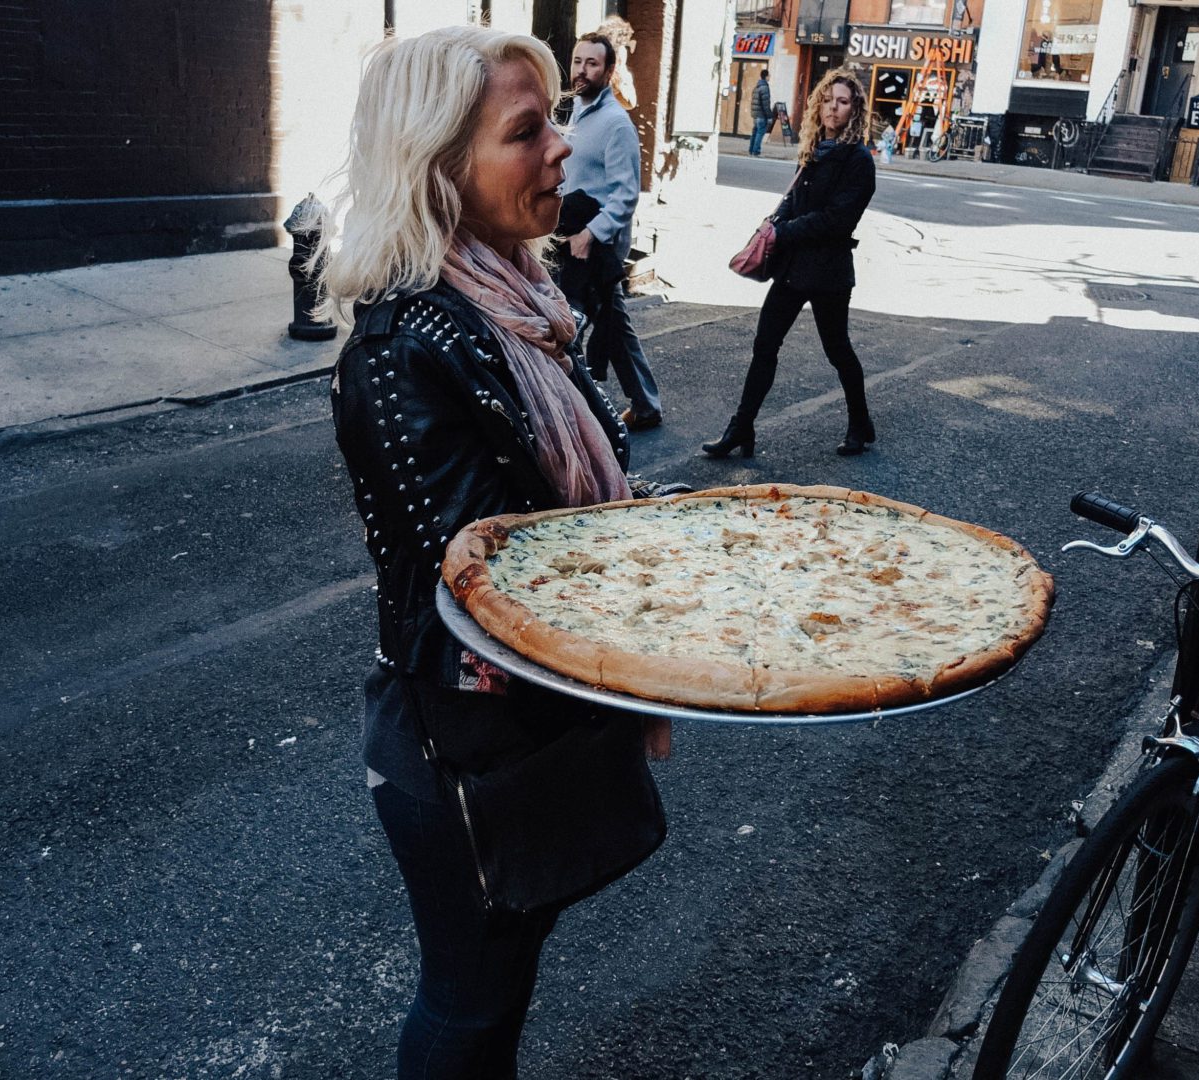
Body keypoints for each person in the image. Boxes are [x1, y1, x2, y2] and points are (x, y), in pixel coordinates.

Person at [318, 26, 669, 1079]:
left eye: (556, 117)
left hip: (531, 724)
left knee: (502, 980)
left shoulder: (515, 306)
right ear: (438, 169)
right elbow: (497, 581)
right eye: (528, 130)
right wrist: (677, 586)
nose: (562, 146)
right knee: (468, 1004)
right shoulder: (405, 346)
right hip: (465, 741)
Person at [703, 68, 877, 460]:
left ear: (855, 110)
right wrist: (774, 223)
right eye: (829, 100)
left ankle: (859, 423)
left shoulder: (858, 161)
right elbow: (795, 200)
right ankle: (740, 428)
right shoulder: (815, 147)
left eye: (843, 102)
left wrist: (786, 232)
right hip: (793, 269)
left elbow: (837, 220)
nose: (834, 107)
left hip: (829, 273)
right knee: (765, 344)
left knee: (838, 350)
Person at [562, 32, 664, 432]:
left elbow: (625, 194)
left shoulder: (616, 123)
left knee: (577, 323)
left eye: (592, 63)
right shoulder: (574, 112)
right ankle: (645, 404)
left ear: (609, 70)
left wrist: (591, 233)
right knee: (612, 323)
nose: (582, 71)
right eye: (577, 61)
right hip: (570, 236)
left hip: (597, 245)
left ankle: (585, 411)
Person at [748, 69, 772, 156]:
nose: (770, 77)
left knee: (754, 133)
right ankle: (756, 151)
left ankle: (751, 150)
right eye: (769, 76)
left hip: (755, 115)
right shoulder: (764, 87)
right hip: (762, 115)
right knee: (759, 133)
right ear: (766, 77)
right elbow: (766, 104)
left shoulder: (756, 87)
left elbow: (754, 102)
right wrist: (769, 116)